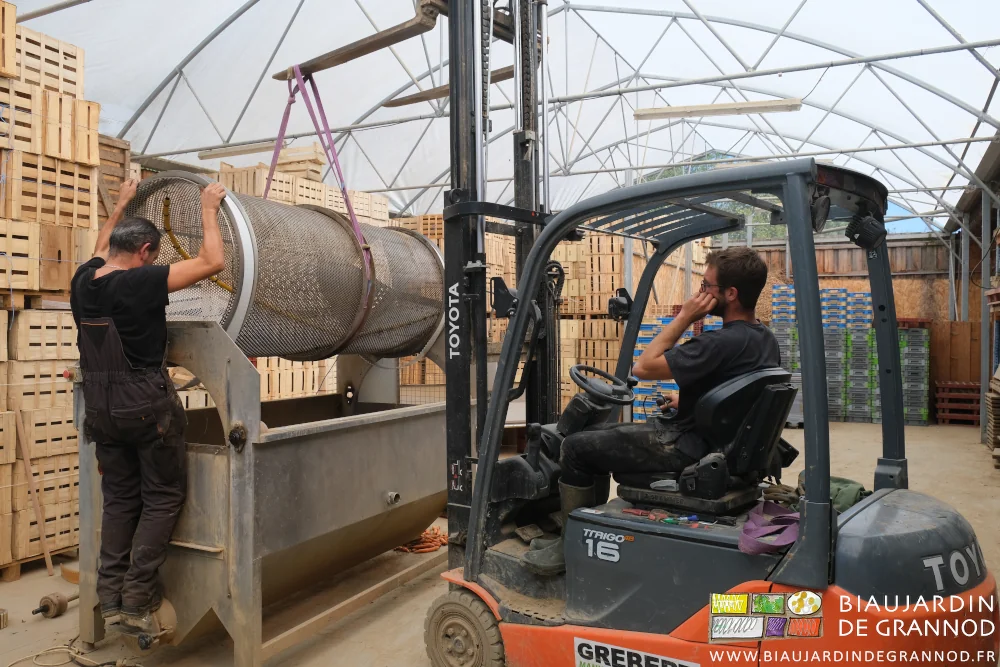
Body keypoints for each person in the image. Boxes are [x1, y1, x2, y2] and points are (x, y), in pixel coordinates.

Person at [522, 247, 780, 575]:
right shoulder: (764, 339)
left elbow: (643, 366)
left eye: (706, 287)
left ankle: (571, 546)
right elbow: (738, 392)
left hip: (687, 448)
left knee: (574, 447)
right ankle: (584, 528)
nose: (700, 294)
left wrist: (685, 317)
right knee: (598, 441)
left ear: (730, 294)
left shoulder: (718, 344)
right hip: (716, 445)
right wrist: (687, 402)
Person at [70, 179, 227, 633]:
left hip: (100, 410)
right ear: (144, 251)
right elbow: (212, 262)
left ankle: (110, 597)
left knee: (120, 500)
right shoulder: (140, 282)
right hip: (143, 405)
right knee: (162, 497)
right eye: (154, 254)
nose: (154, 262)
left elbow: (101, 245)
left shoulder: (85, 280)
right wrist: (208, 208)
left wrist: (119, 204)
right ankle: (138, 598)